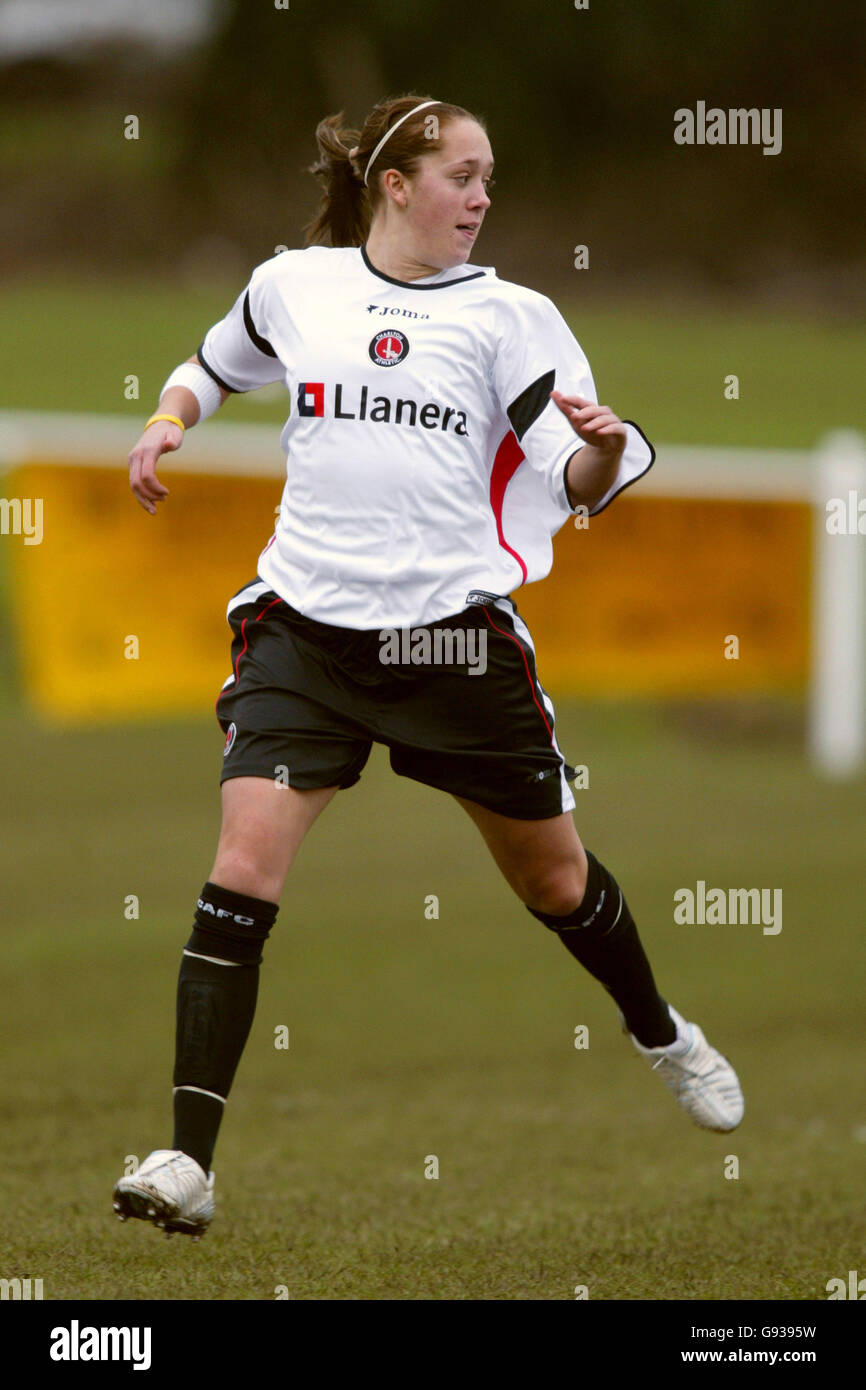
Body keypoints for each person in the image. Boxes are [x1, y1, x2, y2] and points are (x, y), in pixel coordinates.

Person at [114, 94, 743, 1239]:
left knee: (553, 882)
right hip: (303, 629)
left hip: (451, 639)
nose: (482, 196)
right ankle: (184, 1161)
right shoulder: (294, 284)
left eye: (490, 177)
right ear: (392, 183)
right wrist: (169, 419)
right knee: (243, 862)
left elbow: (576, 480)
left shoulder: (510, 319)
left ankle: (658, 1028)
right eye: (462, 174)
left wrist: (599, 453)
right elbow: (212, 361)